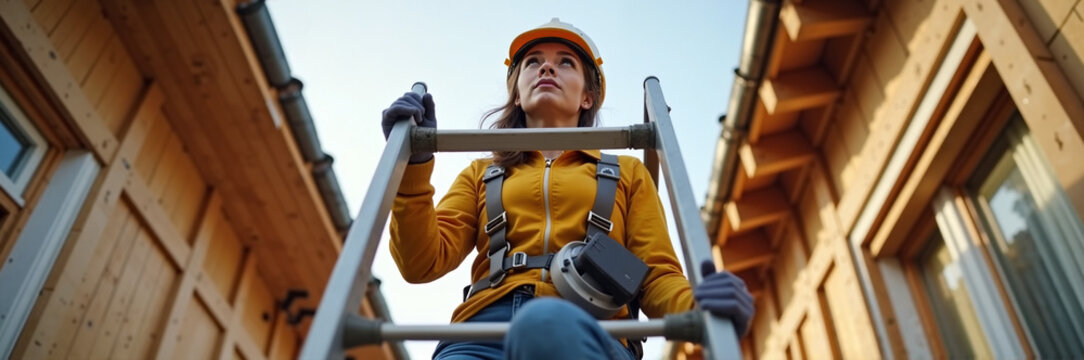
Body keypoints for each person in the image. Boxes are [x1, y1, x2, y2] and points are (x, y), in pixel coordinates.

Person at [380, 18, 753, 360]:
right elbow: (420, 262)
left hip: (592, 331)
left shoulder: (627, 172)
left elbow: (654, 274)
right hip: (480, 332)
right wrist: (413, 166)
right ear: (517, 93)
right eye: (533, 62)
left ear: (587, 97)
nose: (546, 67)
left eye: (565, 63)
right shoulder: (482, 173)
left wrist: (699, 307)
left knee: (544, 324)